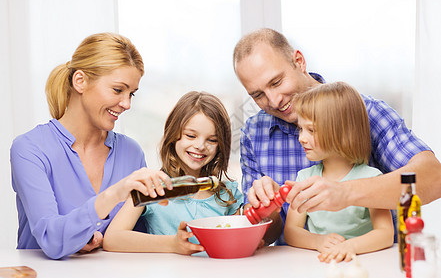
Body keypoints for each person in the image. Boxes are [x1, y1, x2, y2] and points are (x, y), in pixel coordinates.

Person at [233, 28, 441, 245]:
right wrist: (268, 211)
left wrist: (345, 192)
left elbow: (434, 178)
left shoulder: (364, 113)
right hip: (296, 270)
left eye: (276, 82)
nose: (274, 101)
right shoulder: (253, 133)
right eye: (258, 95)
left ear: (299, 61)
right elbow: (267, 235)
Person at [10, 32, 158, 259]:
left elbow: (133, 236)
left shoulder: (131, 153)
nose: (127, 104)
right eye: (118, 90)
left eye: (132, 94)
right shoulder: (30, 149)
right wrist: (114, 194)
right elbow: (52, 238)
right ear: (80, 81)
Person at [103, 91, 244, 255]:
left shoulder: (227, 192)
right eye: (191, 136)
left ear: (221, 145)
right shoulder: (152, 188)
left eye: (212, 140)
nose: (200, 145)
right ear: (173, 135)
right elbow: (113, 239)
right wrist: (172, 245)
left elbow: (236, 246)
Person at [284, 82, 394, 262]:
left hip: (362, 263)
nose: (301, 138)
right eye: (301, 129)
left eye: (311, 130)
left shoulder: (371, 179)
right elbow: (291, 231)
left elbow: (385, 233)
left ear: (342, 132)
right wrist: (318, 241)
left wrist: (349, 246)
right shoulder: (305, 178)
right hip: (318, 265)